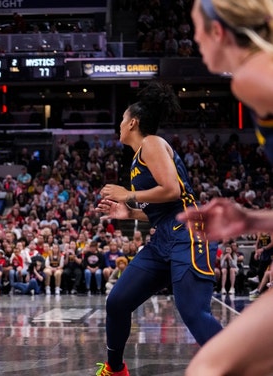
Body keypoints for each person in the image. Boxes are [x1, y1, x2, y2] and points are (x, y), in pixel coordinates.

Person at [95, 81, 222, 376]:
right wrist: (129, 213)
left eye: (122, 120)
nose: (119, 125)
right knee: (117, 302)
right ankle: (115, 370)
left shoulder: (150, 143)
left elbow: (173, 191)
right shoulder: (138, 160)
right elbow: (160, 211)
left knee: (192, 311)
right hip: (164, 237)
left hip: (190, 234)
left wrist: (128, 194)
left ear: (133, 122)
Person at [177, 1, 273, 375]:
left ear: (218, 32)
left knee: (210, 368)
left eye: (197, 29)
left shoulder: (252, 76)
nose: (195, 39)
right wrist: (250, 220)